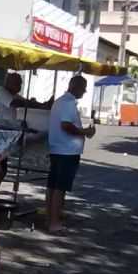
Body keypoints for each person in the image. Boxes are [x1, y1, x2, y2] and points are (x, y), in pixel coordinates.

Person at [0, 72, 54, 200]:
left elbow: (23, 101)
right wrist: (38, 105)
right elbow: (17, 103)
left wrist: (41, 105)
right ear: (9, 83)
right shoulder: (2, 92)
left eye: (21, 83)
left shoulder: (11, 94)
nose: (20, 86)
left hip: (4, 133)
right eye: (18, 83)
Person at [46, 74, 95, 234]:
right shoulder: (67, 103)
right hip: (66, 151)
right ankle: (54, 222)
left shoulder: (60, 101)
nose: (85, 91)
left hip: (58, 149)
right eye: (84, 88)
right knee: (60, 187)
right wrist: (85, 131)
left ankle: (53, 217)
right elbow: (66, 125)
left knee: (54, 186)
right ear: (76, 87)